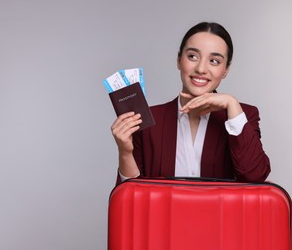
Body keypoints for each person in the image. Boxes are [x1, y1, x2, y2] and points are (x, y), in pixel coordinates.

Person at [111, 22, 270, 184]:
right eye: (192, 56)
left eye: (214, 61)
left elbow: (254, 177)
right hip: (164, 210)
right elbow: (131, 197)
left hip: (221, 211)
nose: (201, 69)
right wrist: (125, 153)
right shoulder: (149, 121)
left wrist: (232, 103)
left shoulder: (242, 116)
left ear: (226, 70)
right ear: (179, 60)